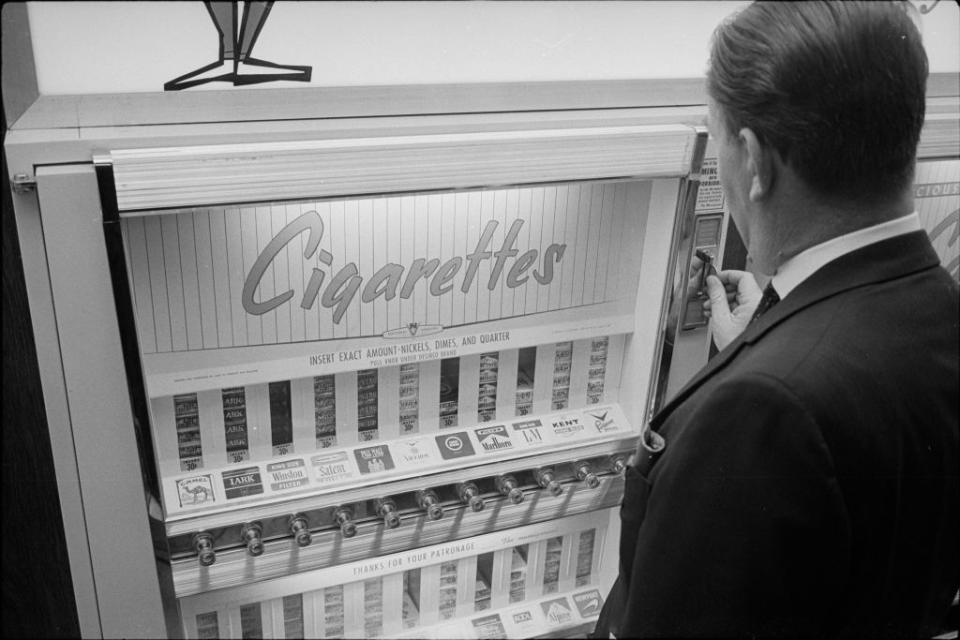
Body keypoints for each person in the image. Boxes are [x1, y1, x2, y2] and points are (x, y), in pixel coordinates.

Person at [594, 2, 959, 637]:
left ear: (756, 163)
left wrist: (764, 372)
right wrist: (769, 335)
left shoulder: (761, 413)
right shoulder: (939, 311)